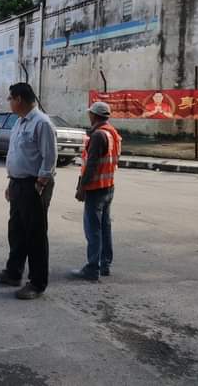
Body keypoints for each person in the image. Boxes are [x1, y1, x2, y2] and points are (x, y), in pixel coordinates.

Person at [0, 83, 57, 300]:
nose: (9, 102)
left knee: (35, 235)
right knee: (16, 230)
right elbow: (16, 155)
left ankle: (37, 283)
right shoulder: (19, 123)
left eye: (10, 98)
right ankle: (13, 272)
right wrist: (11, 183)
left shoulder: (41, 123)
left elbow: (50, 157)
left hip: (33, 185)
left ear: (19, 99)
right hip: (18, 184)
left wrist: (40, 184)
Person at [72, 101, 122, 281]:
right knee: (105, 227)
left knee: (93, 229)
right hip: (108, 186)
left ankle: (92, 268)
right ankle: (104, 265)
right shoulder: (112, 133)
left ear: (94, 115)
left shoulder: (99, 135)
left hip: (96, 189)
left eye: (90, 114)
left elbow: (91, 165)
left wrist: (82, 187)